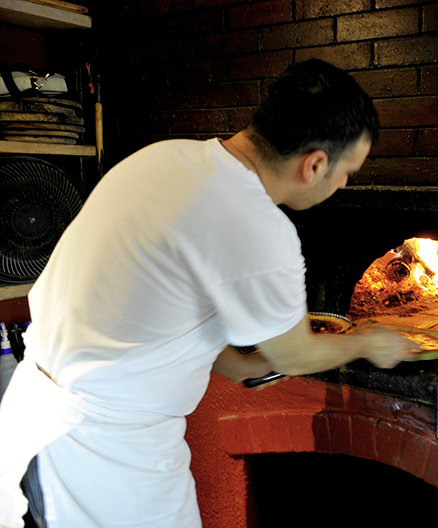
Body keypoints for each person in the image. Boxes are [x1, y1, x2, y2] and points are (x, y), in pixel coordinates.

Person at [0, 59, 415, 528]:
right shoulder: (259, 227)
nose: (343, 185)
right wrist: (370, 342)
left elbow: (161, 293)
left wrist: (237, 365)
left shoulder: (166, 157)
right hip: (106, 448)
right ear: (315, 163)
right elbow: (297, 354)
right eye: (348, 172)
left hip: (34, 411)